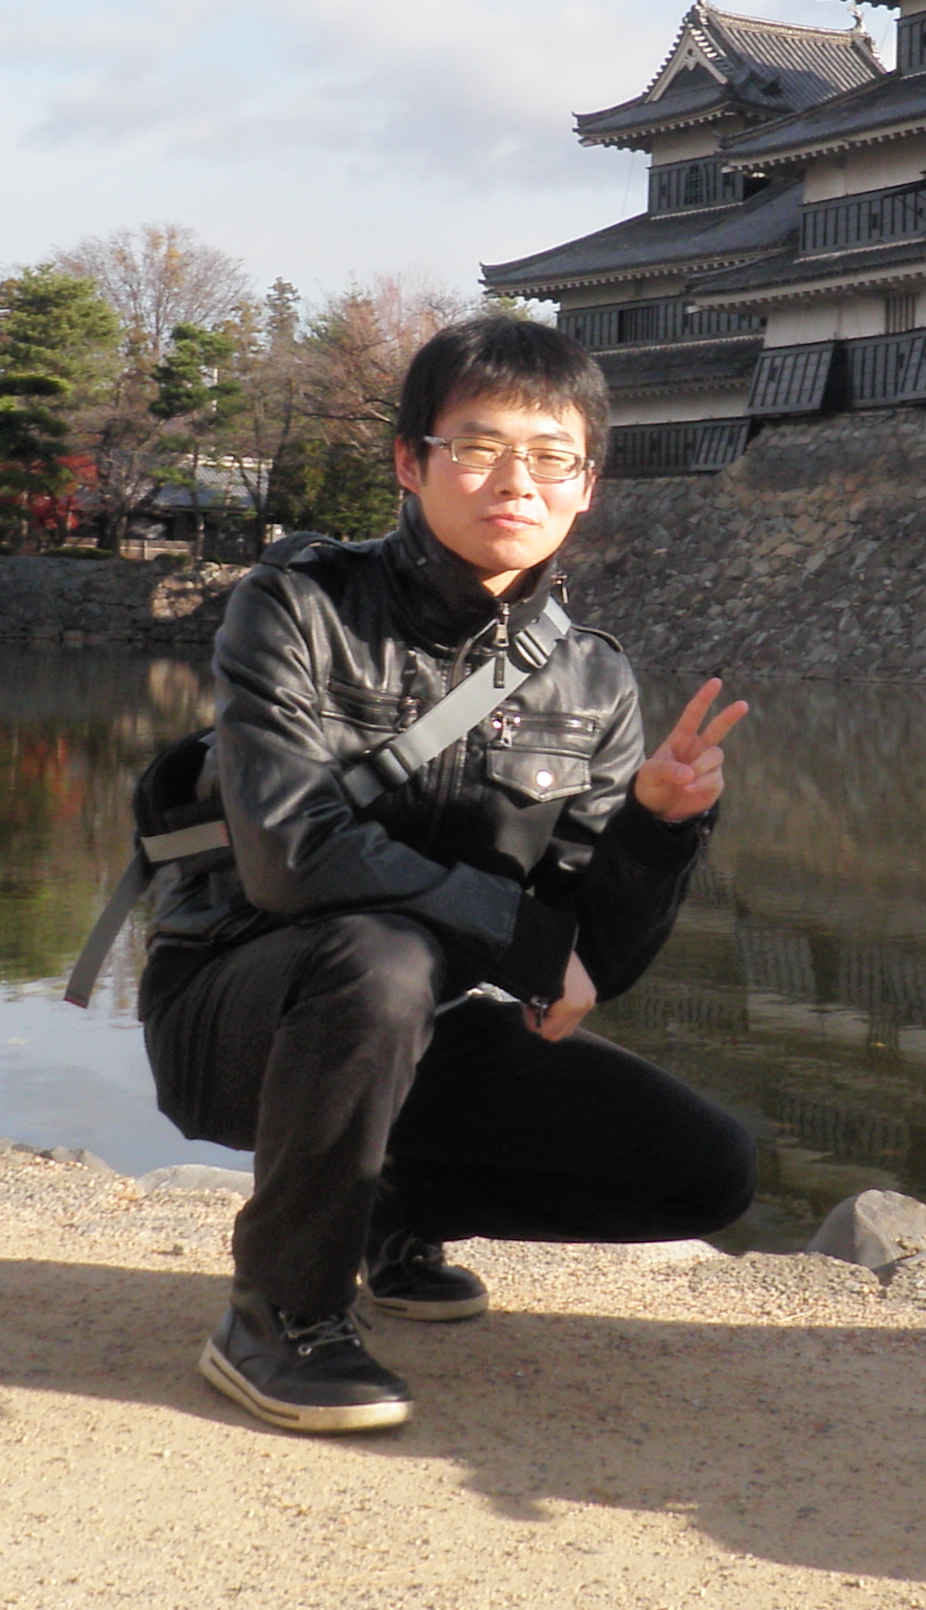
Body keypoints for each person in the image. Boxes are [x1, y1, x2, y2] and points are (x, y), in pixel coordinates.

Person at [138, 313, 757, 1433]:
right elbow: (290, 855)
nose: (516, 480)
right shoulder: (297, 609)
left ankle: (384, 1208)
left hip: (419, 1030)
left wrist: (657, 832)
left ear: (587, 487)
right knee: (381, 957)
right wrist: (519, 941)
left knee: (705, 1168)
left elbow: (587, 965)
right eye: (478, 447)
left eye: (552, 456)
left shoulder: (593, 679)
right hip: (237, 1008)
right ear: (410, 463)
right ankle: (278, 1317)